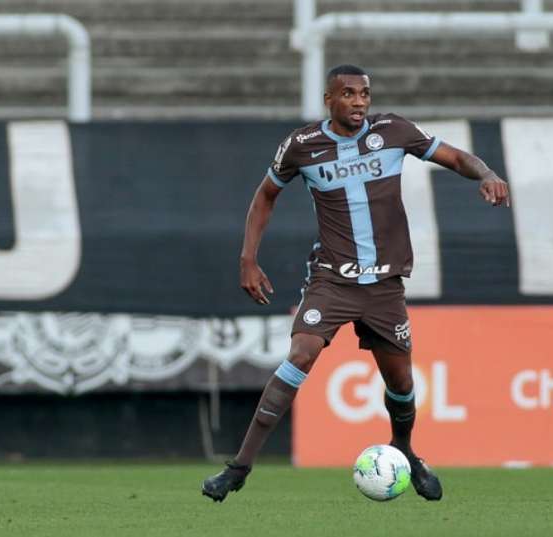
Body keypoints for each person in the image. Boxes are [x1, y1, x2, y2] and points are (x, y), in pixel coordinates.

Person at [202, 64, 509, 502]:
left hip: (385, 286)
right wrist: (248, 259)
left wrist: (488, 175)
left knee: (400, 382)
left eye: (365, 93)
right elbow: (265, 195)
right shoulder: (301, 146)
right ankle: (238, 468)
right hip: (333, 280)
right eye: (348, 94)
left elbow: (458, 158)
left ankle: (405, 452)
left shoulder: (395, 131)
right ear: (330, 100)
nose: (360, 101)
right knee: (301, 353)